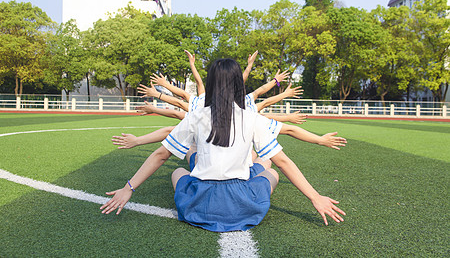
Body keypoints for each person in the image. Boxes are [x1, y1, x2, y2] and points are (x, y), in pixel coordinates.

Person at [101, 59, 346, 232]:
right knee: (270, 171)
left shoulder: (196, 116)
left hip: (198, 206)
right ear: (239, 85)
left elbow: (160, 154)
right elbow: (284, 162)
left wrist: (128, 188)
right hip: (244, 206)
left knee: (178, 172)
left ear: (211, 83)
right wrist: (315, 197)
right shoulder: (251, 117)